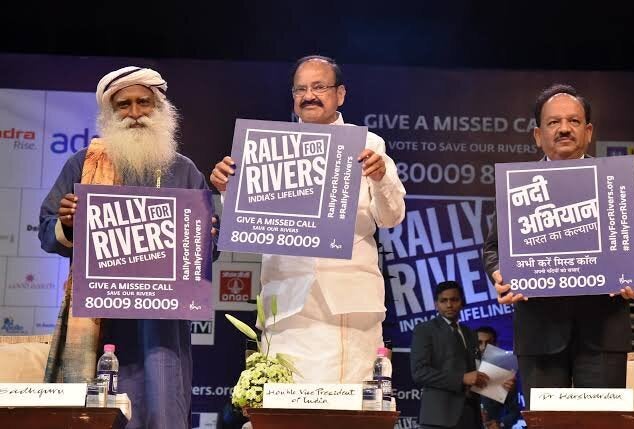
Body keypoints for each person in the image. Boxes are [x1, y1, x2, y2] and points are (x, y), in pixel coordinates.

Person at [39, 66, 217, 429]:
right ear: (109, 113)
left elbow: (206, 253)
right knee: (100, 414)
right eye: (124, 105)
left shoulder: (184, 171)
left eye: (143, 103)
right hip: (101, 324)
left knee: (163, 411)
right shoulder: (84, 165)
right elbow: (46, 231)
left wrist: (206, 234)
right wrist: (67, 223)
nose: (135, 113)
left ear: (160, 108)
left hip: (163, 328)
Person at [211, 55, 406, 383]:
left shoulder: (369, 145)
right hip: (289, 309)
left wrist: (381, 177)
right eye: (300, 89)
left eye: (319, 87)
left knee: (348, 410)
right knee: (288, 409)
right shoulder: (270, 149)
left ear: (340, 94)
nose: (309, 95)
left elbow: (391, 218)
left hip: (349, 306)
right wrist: (228, 190)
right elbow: (249, 229)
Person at [483, 83, 634, 408]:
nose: (564, 129)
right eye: (554, 122)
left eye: (574, 121)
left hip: (603, 333)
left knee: (601, 424)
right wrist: (500, 274)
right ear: (538, 134)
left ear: (588, 130)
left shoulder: (612, 181)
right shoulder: (518, 187)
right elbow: (493, 249)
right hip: (539, 334)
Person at [410, 281, 488, 429]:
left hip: (471, 415)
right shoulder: (425, 330)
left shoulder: (470, 333)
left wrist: (500, 385)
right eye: (443, 300)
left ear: (462, 302)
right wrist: (462, 378)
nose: (449, 305)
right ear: (436, 304)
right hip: (439, 417)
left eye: (454, 300)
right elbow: (419, 373)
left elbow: (476, 372)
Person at [475, 326, 522, 429]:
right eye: (479, 343)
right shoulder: (462, 371)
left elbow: (514, 411)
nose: (483, 347)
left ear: (495, 345)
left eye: (488, 343)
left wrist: (501, 424)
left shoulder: (505, 374)